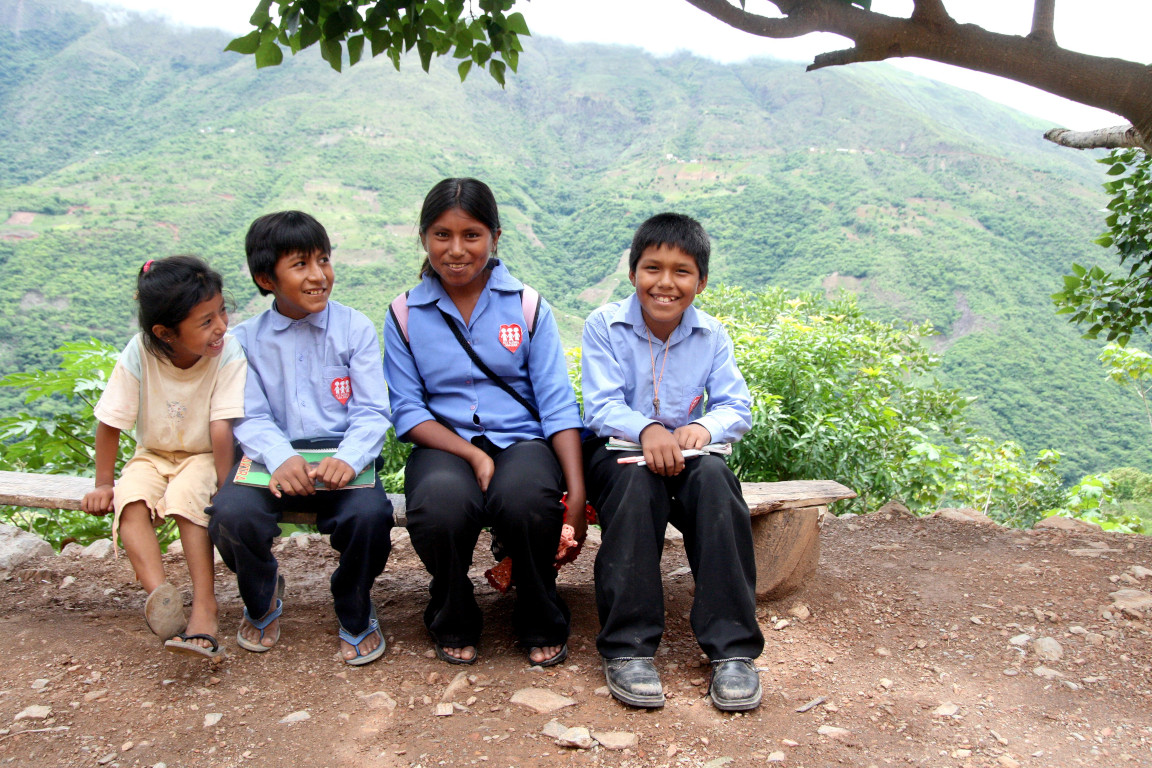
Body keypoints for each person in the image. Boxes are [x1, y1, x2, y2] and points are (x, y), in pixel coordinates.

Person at [383, 178, 586, 667]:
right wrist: (471, 453)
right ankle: (452, 609)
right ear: (424, 237)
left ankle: (540, 611)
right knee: (440, 505)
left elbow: (557, 404)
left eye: (471, 235)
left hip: (522, 442)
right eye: (441, 235)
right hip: (444, 445)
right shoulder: (405, 314)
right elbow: (408, 410)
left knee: (526, 501)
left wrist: (576, 495)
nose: (456, 250)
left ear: (495, 236)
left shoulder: (527, 307)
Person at [581, 212, 765, 711]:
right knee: (636, 488)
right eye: (652, 268)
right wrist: (647, 430)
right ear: (633, 272)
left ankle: (733, 651)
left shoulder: (712, 335)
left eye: (682, 271)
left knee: (716, 483)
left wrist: (703, 428)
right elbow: (600, 406)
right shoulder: (605, 325)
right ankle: (628, 649)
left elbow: (736, 405)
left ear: (700, 282)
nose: (665, 283)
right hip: (618, 454)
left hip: (687, 457)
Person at [207, 211, 394, 666]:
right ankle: (262, 593)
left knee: (370, 518)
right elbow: (248, 414)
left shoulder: (354, 328)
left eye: (323, 260)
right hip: (274, 459)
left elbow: (371, 411)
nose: (318, 276)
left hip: (342, 458)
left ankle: (353, 605)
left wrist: (348, 458)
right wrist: (279, 455)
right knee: (230, 515)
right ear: (265, 278)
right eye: (300, 265)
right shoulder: (244, 341)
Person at [82, 255, 246, 660]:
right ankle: (161, 598)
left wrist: (225, 489)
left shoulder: (227, 351)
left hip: (205, 455)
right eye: (206, 322)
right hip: (152, 453)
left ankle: (205, 606)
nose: (221, 326)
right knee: (131, 498)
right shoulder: (140, 352)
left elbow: (223, 426)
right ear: (165, 333)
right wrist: (105, 483)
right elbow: (111, 420)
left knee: (191, 500)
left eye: (221, 311)